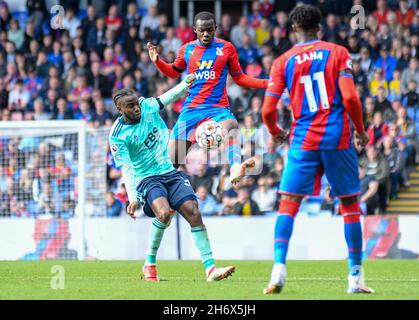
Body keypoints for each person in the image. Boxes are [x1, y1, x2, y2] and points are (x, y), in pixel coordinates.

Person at [261, 5, 374, 295]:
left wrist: (276, 133)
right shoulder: (338, 52)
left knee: (288, 203)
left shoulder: (282, 61)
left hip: (303, 140)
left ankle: (278, 268)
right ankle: (355, 278)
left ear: (293, 30)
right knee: (349, 206)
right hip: (338, 138)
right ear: (319, 28)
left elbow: (267, 111)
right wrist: (360, 131)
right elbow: (350, 97)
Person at [108, 75, 235, 283]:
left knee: (193, 212)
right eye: (130, 107)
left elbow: (167, 97)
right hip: (147, 179)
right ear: (120, 110)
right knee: (164, 213)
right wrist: (132, 197)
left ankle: (210, 269)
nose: (136, 108)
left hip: (170, 172)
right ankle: (149, 264)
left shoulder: (146, 105)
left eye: (136, 103)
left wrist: (185, 84)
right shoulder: (118, 135)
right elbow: (127, 168)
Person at [147, 11, 269, 186]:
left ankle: (235, 167)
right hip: (191, 110)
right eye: (202, 30)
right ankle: (162, 194)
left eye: (210, 30)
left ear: (215, 29)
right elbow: (173, 72)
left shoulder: (226, 48)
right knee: (170, 163)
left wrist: (266, 84)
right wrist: (158, 61)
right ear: (195, 30)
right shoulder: (187, 49)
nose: (206, 34)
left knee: (232, 125)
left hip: (218, 108)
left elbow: (240, 78)